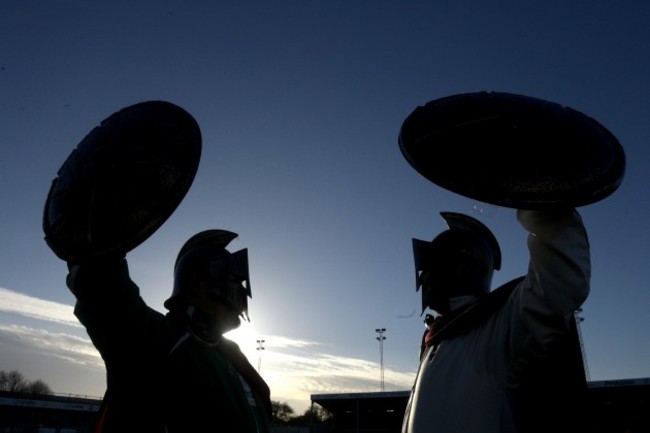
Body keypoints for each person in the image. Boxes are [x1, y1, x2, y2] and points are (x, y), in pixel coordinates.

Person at [401, 208, 591, 433]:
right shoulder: (437, 337)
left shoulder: (495, 332)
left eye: (432, 268)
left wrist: (540, 198)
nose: (424, 278)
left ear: (460, 269)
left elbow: (561, 281)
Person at [65, 229, 272, 433]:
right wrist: (100, 234)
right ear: (198, 285)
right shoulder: (157, 340)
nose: (241, 292)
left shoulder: (233, 359)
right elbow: (101, 283)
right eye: (232, 281)